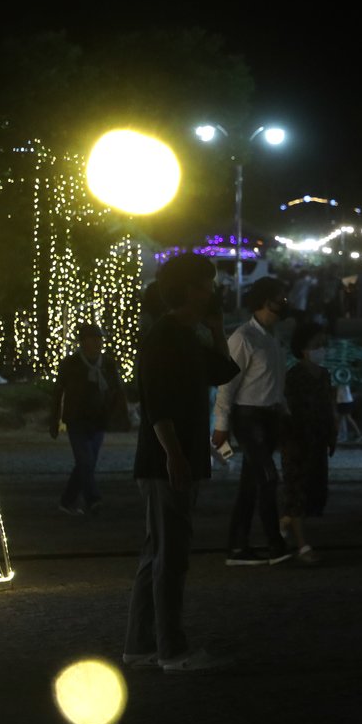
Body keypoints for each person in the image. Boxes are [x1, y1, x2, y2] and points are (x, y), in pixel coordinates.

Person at [124, 253, 239, 673]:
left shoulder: (187, 336)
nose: (213, 290)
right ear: (189, 288)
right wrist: (173, 453)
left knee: (158, 553)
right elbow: (156, 403)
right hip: (166, 461)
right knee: (170, 557)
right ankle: (171, 649)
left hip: (174, 457)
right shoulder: (164, 337)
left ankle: (140, 644)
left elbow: (224, 371)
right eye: (206, 284)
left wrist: (216, 329)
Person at [212, 277, 293, 567]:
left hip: (268, 416)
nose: (282, 305)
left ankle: (238, 545)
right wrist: (221, 424)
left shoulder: (271, 337)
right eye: (278, 299)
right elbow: (227, 384)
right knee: (268, 478)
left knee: (251, 484)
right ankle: (275, 544)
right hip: (249, 417)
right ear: (263, 300)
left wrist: (283, 410)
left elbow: (274, 380)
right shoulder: (243, 338)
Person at [50, 323, 126, 516]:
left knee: (86, 462)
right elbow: (58, 392)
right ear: (83, 342)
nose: (97, 342)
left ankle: (67, 501)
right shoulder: (70, 363)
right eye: (93, 338)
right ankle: (94, 499)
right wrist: (54, 419)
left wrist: (119, 414)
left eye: (99, 338)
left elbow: (117, 389)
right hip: (76, 418)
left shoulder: (107, 363)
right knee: (85, 460)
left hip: (99, 418)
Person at [279, 324, 333, 564]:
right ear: (303, 349)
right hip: (297, 440)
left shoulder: (324, 375)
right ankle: (303, 547)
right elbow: (291, 410)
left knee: (314, 491)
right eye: (316, 345)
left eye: (324, 344)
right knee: (297, 490)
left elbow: (327, 408)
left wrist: (331, 434)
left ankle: (286, 522)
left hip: (318, 440)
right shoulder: (294, 376)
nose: (322, 350)